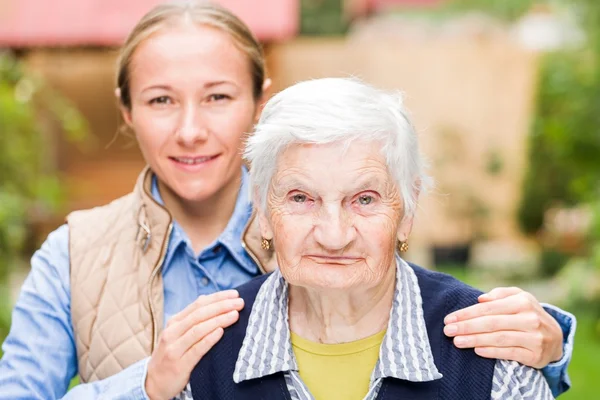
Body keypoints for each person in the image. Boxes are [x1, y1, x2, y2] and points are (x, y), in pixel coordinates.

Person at [0, 1, 574, 400]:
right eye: (160, 101)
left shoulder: (321, 223)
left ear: (259, 102)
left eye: (219, 96)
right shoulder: (75, 254)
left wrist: (551, 347)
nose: (191, 130)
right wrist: (147, 384)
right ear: (127, 111)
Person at [188, 77, 561, 400]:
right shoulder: (208, 351)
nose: (334, 236)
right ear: (263, 211)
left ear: (407, 211)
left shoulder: (490, 347)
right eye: (301, 198)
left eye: (365, 199)